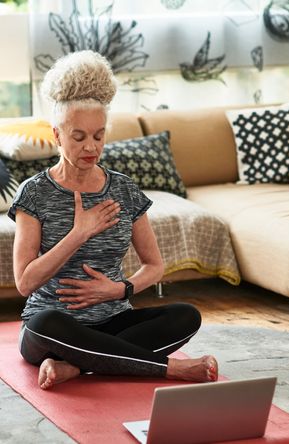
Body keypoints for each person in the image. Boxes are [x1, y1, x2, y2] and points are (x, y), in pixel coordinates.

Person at [8, 50, 218, 390]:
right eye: (78, 137)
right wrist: (79, 233)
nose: (91, 147)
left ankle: (76, 367)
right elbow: (25, 282)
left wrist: (119, 289)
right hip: (53, 327)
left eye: (99, 135)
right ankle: (170, 370)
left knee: (186, 316)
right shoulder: (35, 193)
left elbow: (154, 266)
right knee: (45, 323)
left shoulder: (123, 189)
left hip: (112, 320)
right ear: (57, 135)